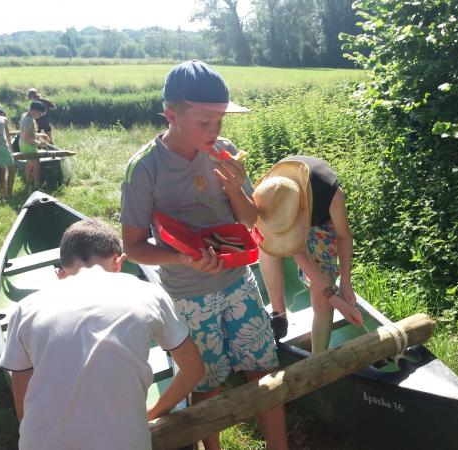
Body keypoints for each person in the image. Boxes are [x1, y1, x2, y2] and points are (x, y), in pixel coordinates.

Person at [120, 60, 288, 450]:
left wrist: (236, 189)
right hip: (188, 293)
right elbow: (133, 247)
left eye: (220, 123)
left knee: (264, 370)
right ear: (171, 115)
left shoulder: (224, 153)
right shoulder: (144, 169)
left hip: (238, 282)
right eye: (204, 123)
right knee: (205, 382)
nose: (215, 133)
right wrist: (184, 259)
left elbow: (250, 221)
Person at [0, 219, 204, 450]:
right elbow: (194, 369)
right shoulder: (150, 294)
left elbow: (23, 398)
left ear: (60, 274)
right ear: (119, 263)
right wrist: (153, 413)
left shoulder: (25, 308)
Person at [254, 156, 363, 353]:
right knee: (267, 248)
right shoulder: (269, 195)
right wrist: (335, 298)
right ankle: (279, 316)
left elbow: (344, 235)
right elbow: (298, 253)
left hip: (319, 217)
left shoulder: (331, 195)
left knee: (322, 299)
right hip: (283, 208)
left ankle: (317, 358)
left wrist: (345, 281)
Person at [19, 100, 48, 187]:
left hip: (23, 144)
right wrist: (40, 143)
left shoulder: (24, 115)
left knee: (29, 164)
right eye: (40, 114)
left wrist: (40, 134)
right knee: (36, 166)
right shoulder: (29, 121)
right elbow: (27, 138)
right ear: (35, 110)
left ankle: (28, 184)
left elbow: (27, 133)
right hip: (28, 145)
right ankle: (37, 185)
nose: (40, 116)